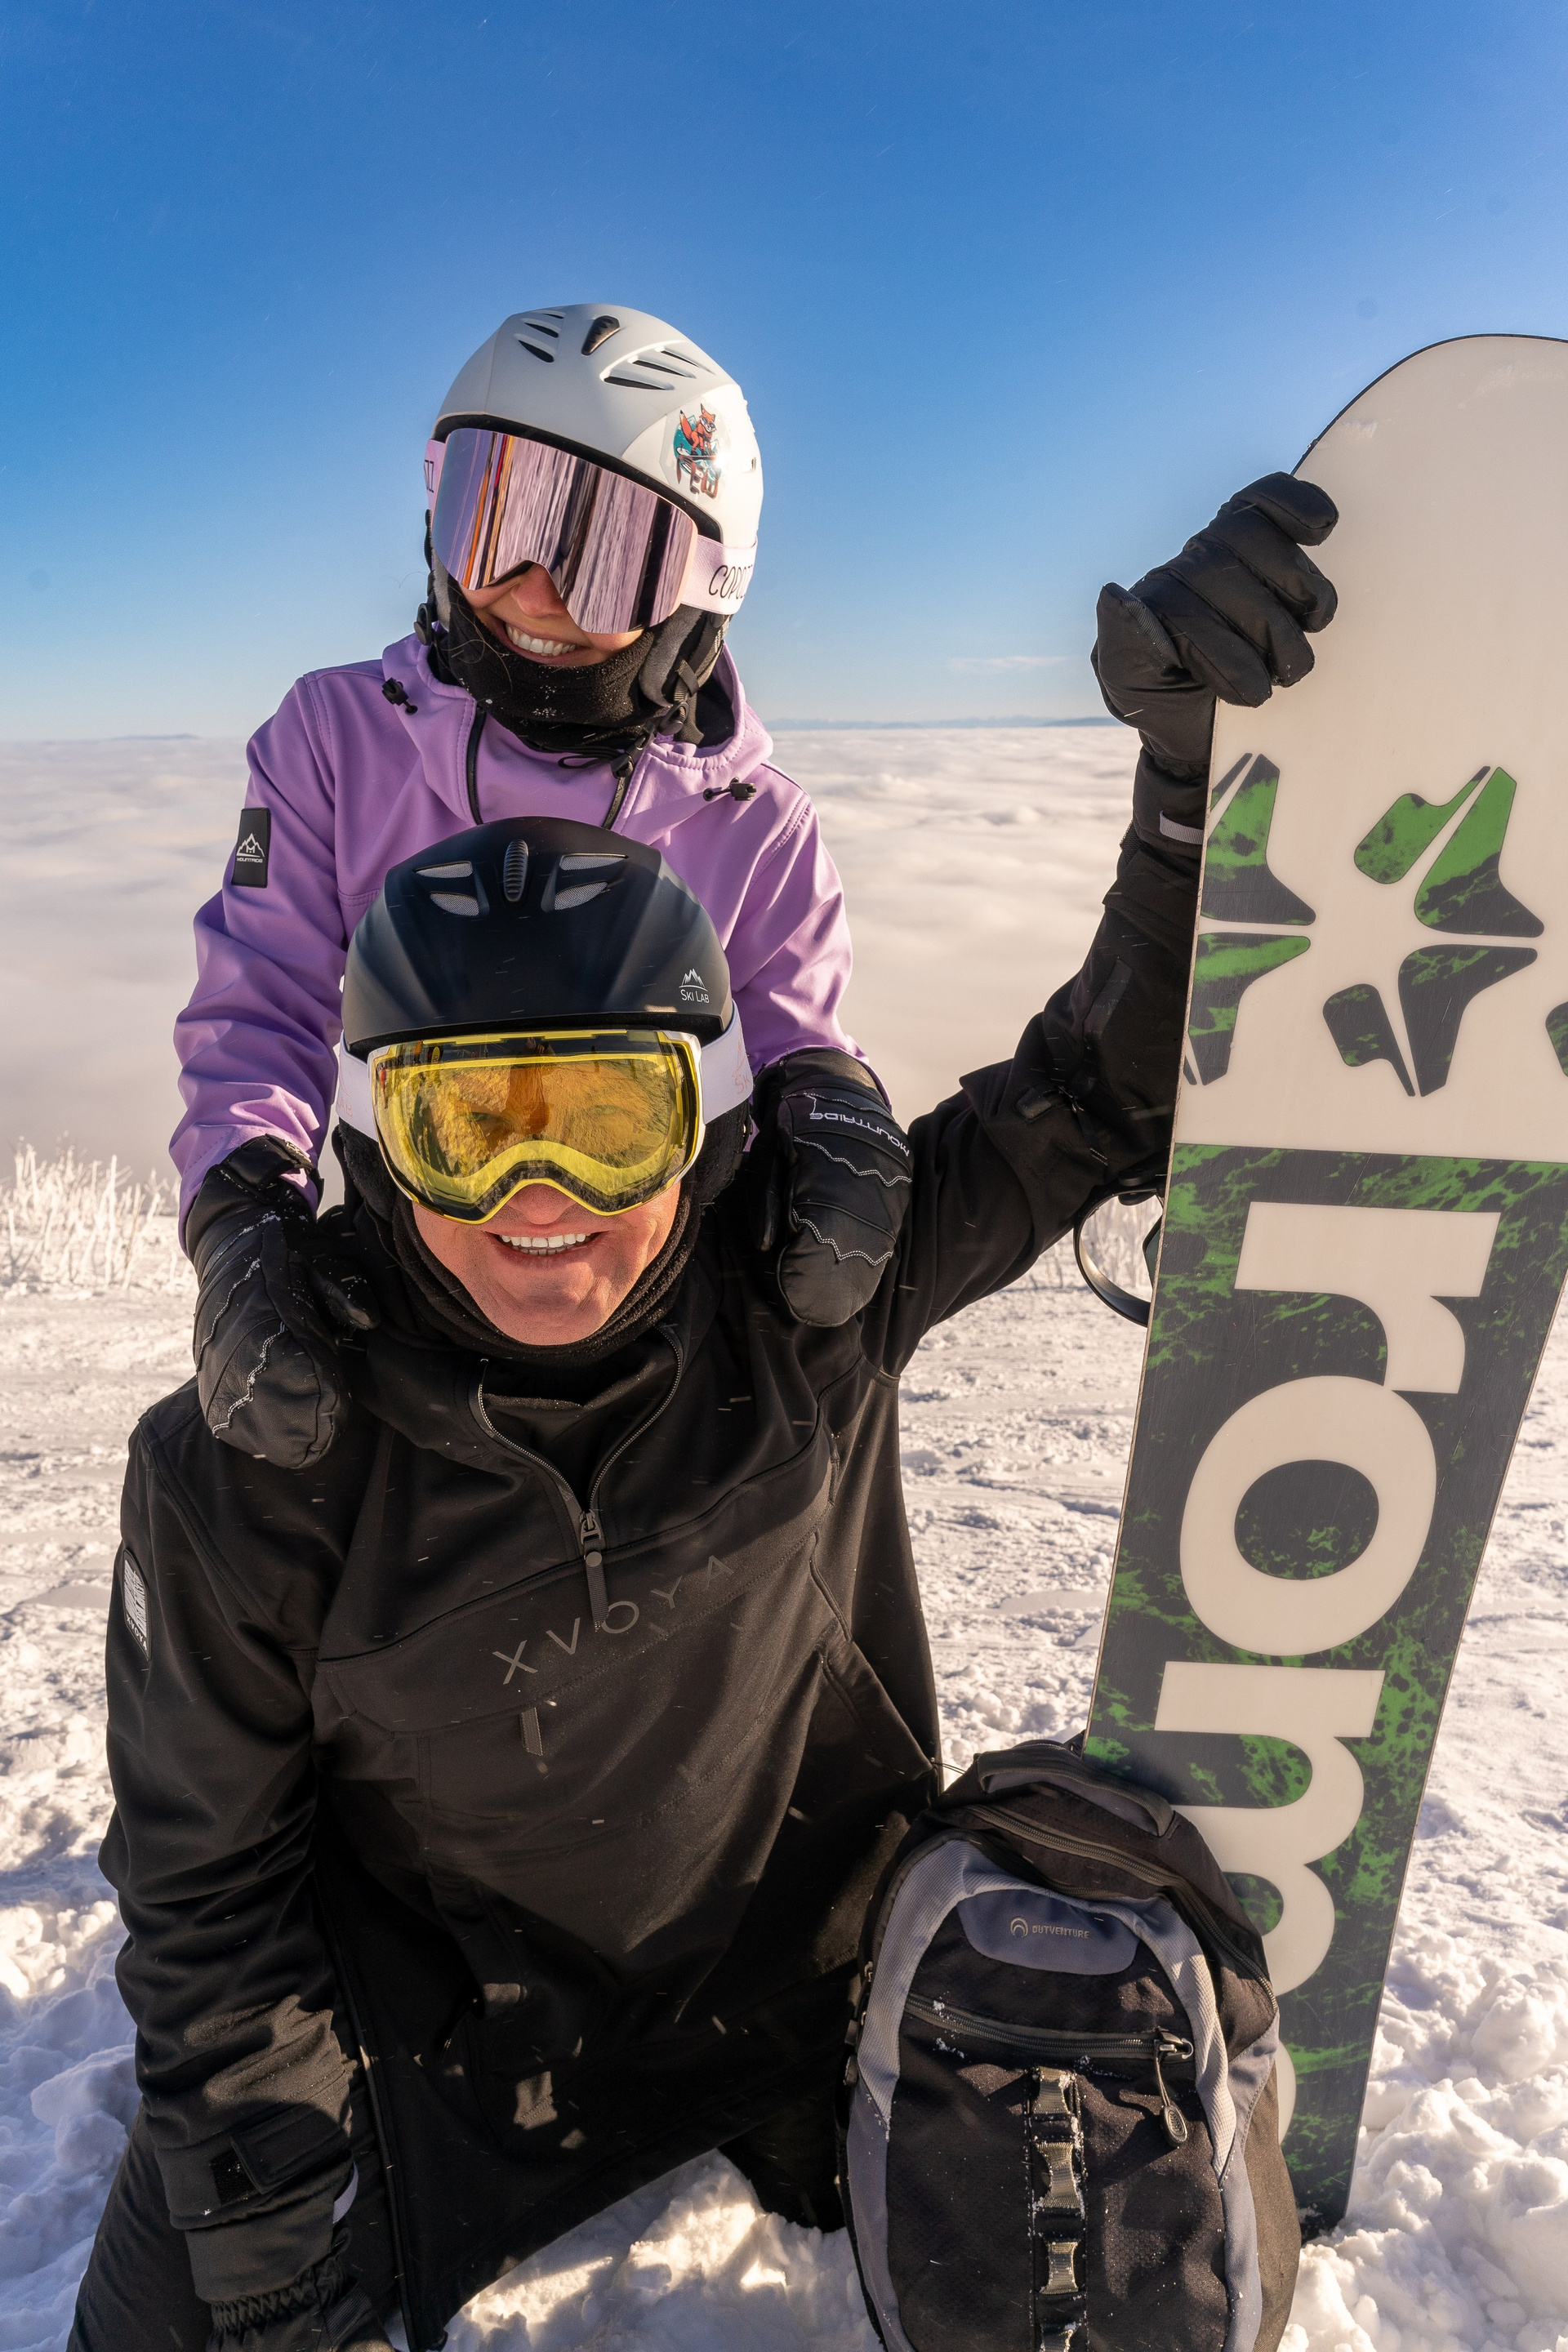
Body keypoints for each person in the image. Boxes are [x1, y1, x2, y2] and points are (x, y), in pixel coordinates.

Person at [70, 474, 1339, 2352]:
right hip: (444, 2060)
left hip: (796, 2010)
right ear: (374, 1140)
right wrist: (263, 2203)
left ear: (709, 1117)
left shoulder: (799, 1292)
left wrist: (1192, 786)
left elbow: (1099, 1094)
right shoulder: (265, 1447)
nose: (542, 1204)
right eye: (467, 1123)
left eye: (608, 1117)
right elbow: (207, 1888)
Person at [173, 301, 915, 1477]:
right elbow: (265, 1005)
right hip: (418, 1265)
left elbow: (788, 1033)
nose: (532, 592)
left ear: (705, 584)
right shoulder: (334, 744)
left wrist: (830, 1111)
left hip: (652, 1302)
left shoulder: (752, 821)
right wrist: (244, 1212)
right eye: (499, 523)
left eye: (606, 556)